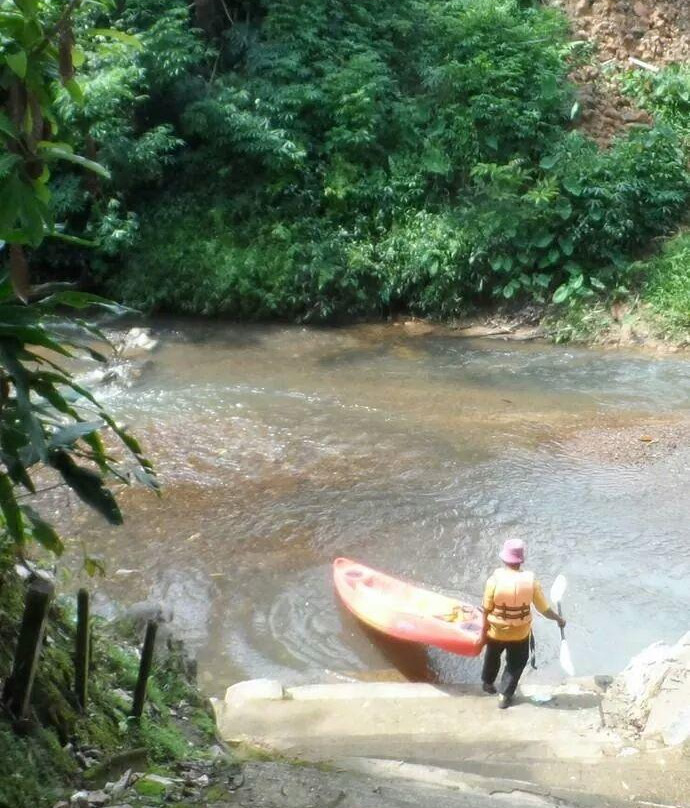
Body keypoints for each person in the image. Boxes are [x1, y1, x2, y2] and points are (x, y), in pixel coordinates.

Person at [481, 538, 565, 709]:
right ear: (521, 560)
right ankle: (504, 695)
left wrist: (484, 629)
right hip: (520, 633)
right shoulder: (531, 581)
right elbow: (544, 610)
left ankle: (488, 684)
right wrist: (559, 619)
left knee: (492, 656)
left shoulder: (493, 580)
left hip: (495, 631)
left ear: (504, 559)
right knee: (516, 663)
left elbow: (486, 608)